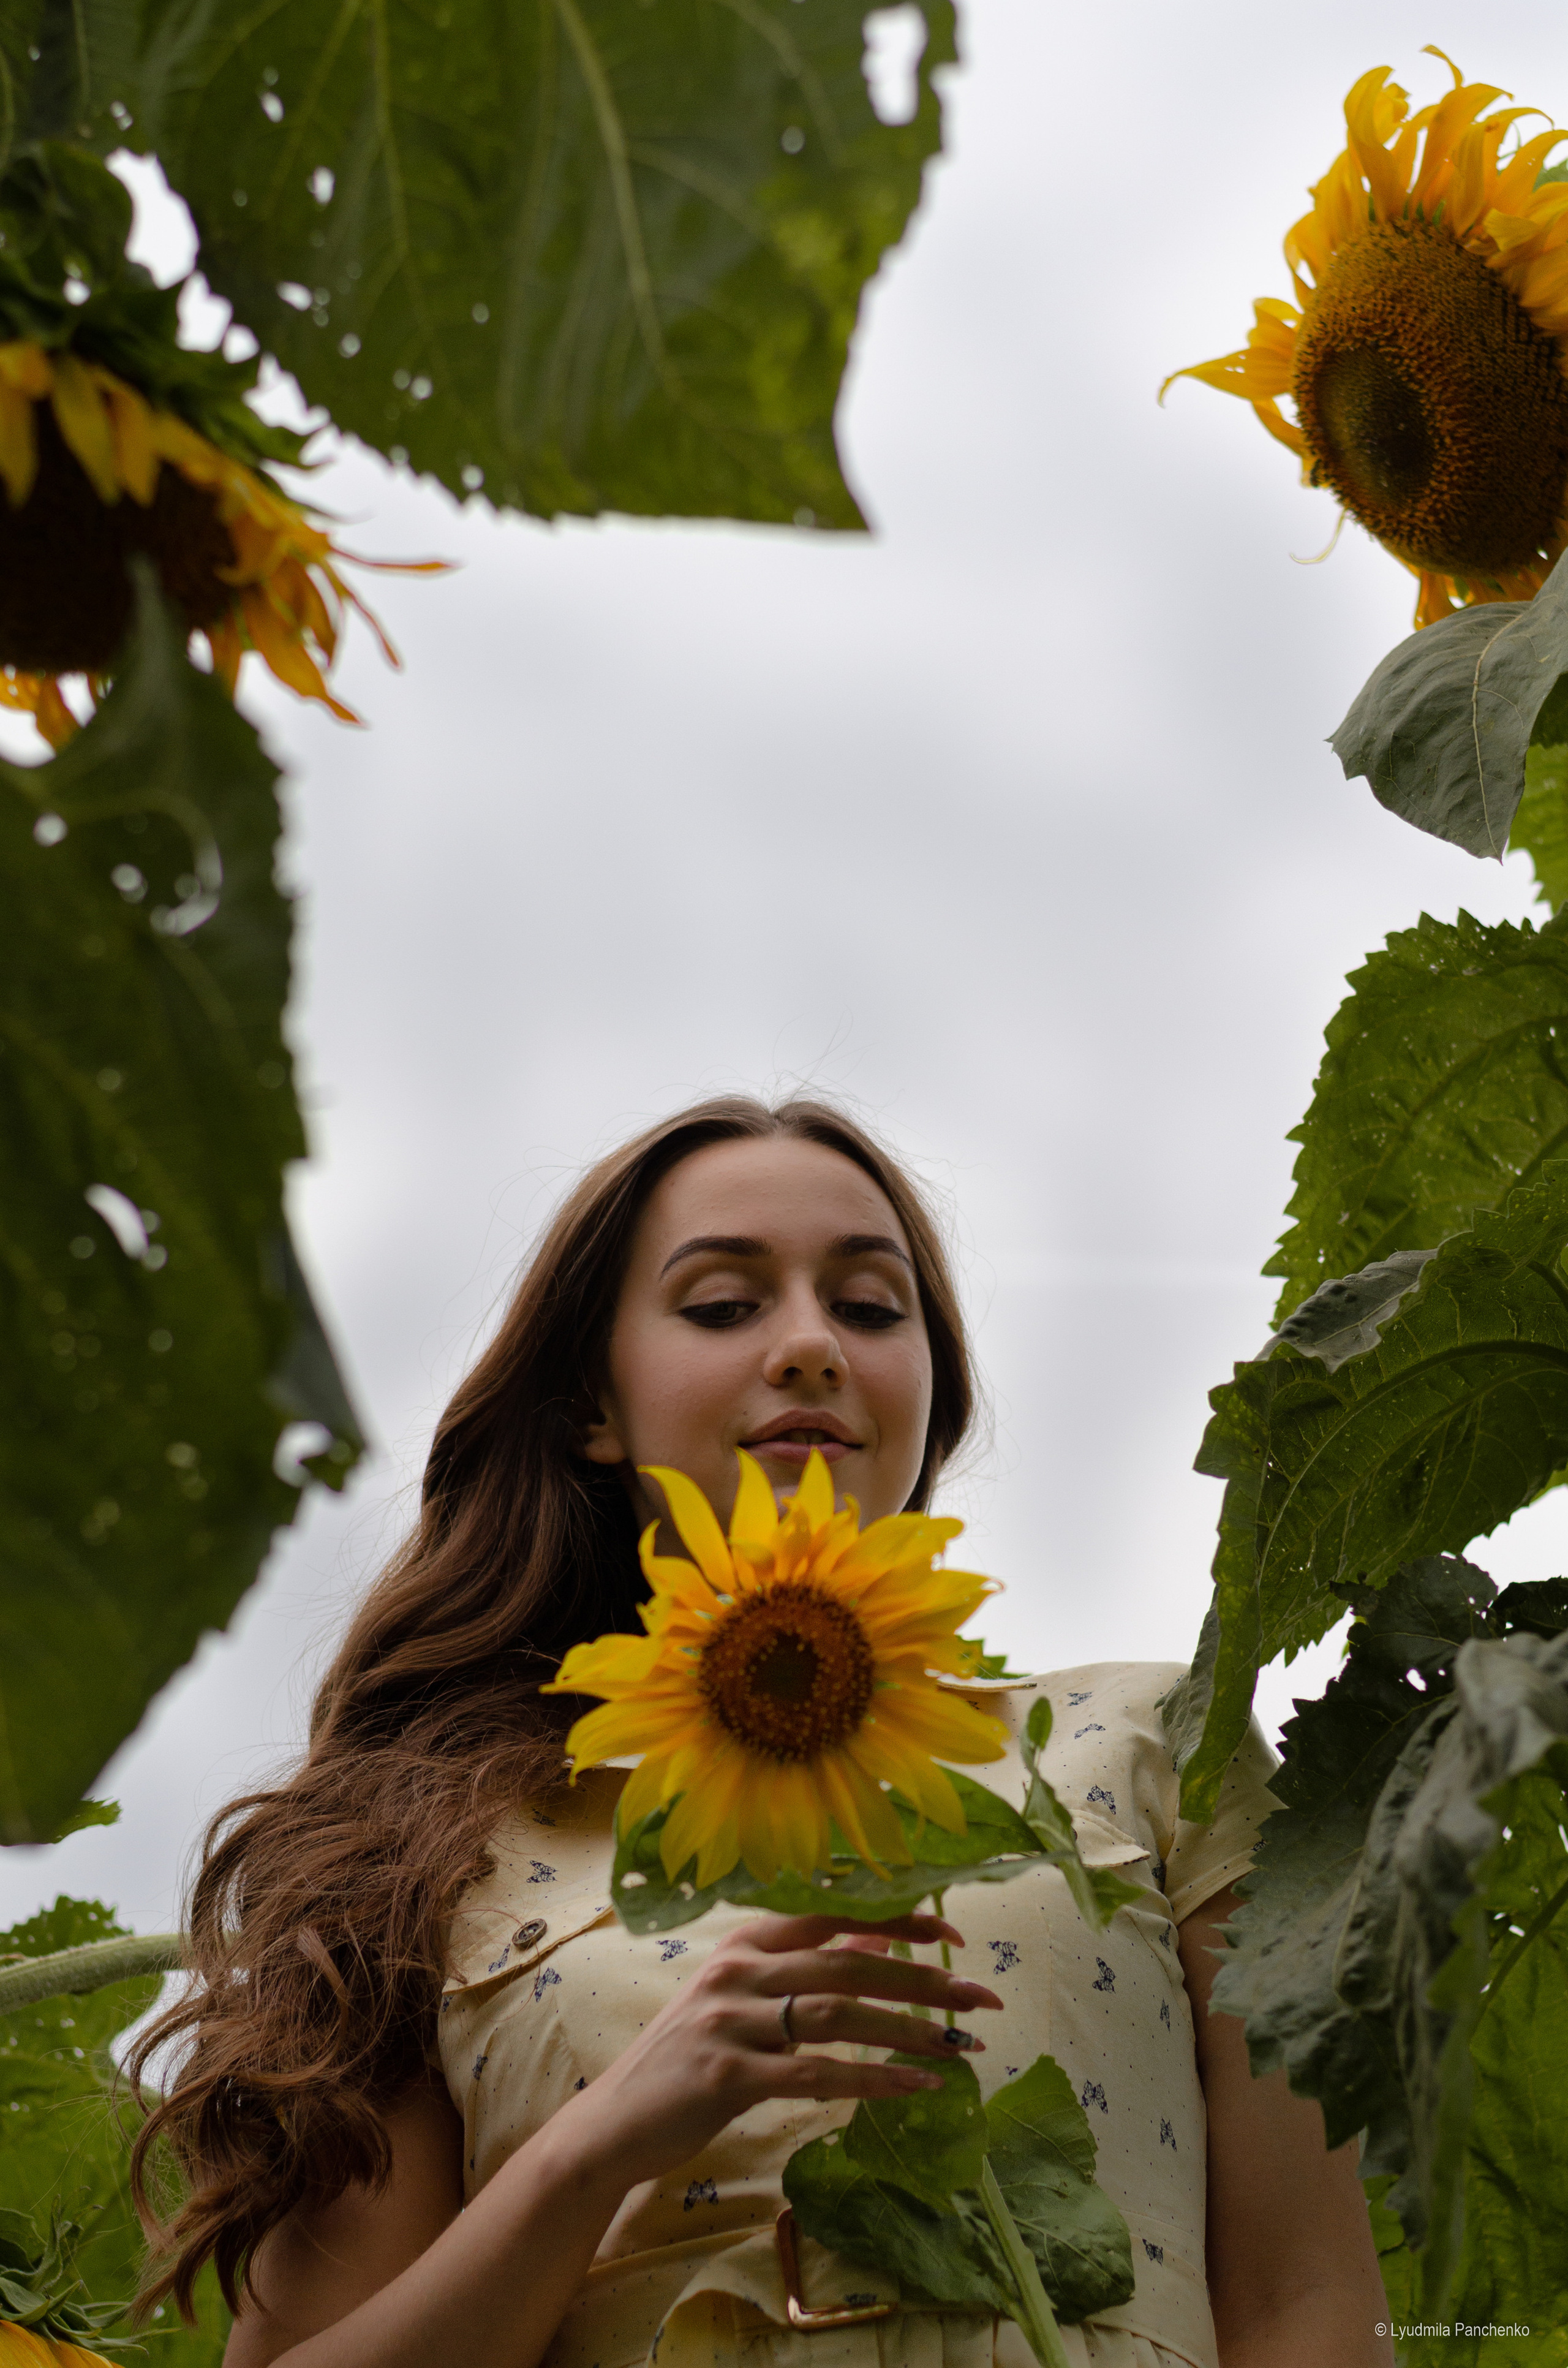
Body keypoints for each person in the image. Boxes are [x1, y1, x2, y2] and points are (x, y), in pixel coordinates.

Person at [131, 1096, 1392, 2368]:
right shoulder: (422, 1856)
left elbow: (1307, 2301)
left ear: (929, 1392)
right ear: (592, 1407)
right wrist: (596, 2144)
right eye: (723, 1305)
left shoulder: (1155, 1740)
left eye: (867, 1305)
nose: (808, 1346)